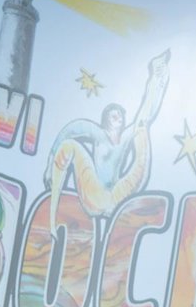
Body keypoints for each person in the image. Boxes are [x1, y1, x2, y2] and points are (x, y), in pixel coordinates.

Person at [44, 50, 170, 229]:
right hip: (95, 194)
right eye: (113, 115)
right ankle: (52, 217)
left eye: (120, 115)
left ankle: (157, 78)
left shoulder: (125, 137)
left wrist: (156, 83)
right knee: (70, 145)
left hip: (116, 196)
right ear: (105, 120)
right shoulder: (97, 133)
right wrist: (51, 162)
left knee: (142, 127)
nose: (118, 118)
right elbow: (70, 130)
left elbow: (146, 115)